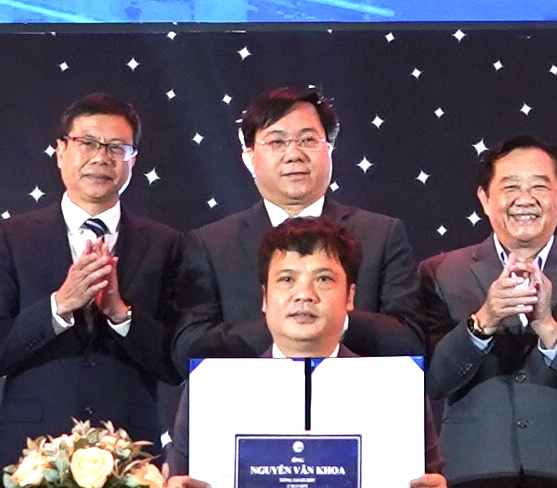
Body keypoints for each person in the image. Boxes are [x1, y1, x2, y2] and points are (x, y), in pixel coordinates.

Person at [0, 93, 182, 488]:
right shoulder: (11, 237)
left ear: (133, 159)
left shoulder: (165, 244)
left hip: (132, 455)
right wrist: (59, 305)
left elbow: (175, 363)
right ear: (61, 152)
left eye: (117, 147)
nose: (101, 157)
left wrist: (122, 315)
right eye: (87, 143)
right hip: (29, 457)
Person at [163, 216, 445, 488]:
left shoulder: (396, 388)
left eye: (323, 279)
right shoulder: (214, 387)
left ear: (350, 297)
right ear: (264, 297)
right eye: (287, 279)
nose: (304, 294)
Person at [416, 134, 557, 488]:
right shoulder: (440, 272)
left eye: (540, 186)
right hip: (470, 474)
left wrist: (549, 328)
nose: (524, 199)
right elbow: (432, 381)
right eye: (510, 186)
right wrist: (484, 321)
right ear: (485, 199)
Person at [172, 87, 423, 369]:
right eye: (277, 142)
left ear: (330, 150)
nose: (294, 154)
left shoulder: (381, 234)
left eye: (307, 140)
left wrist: (332, 320)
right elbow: (188, 348)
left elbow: (409, 340)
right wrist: (284, 325)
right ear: (249, 157)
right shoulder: (212, 244)